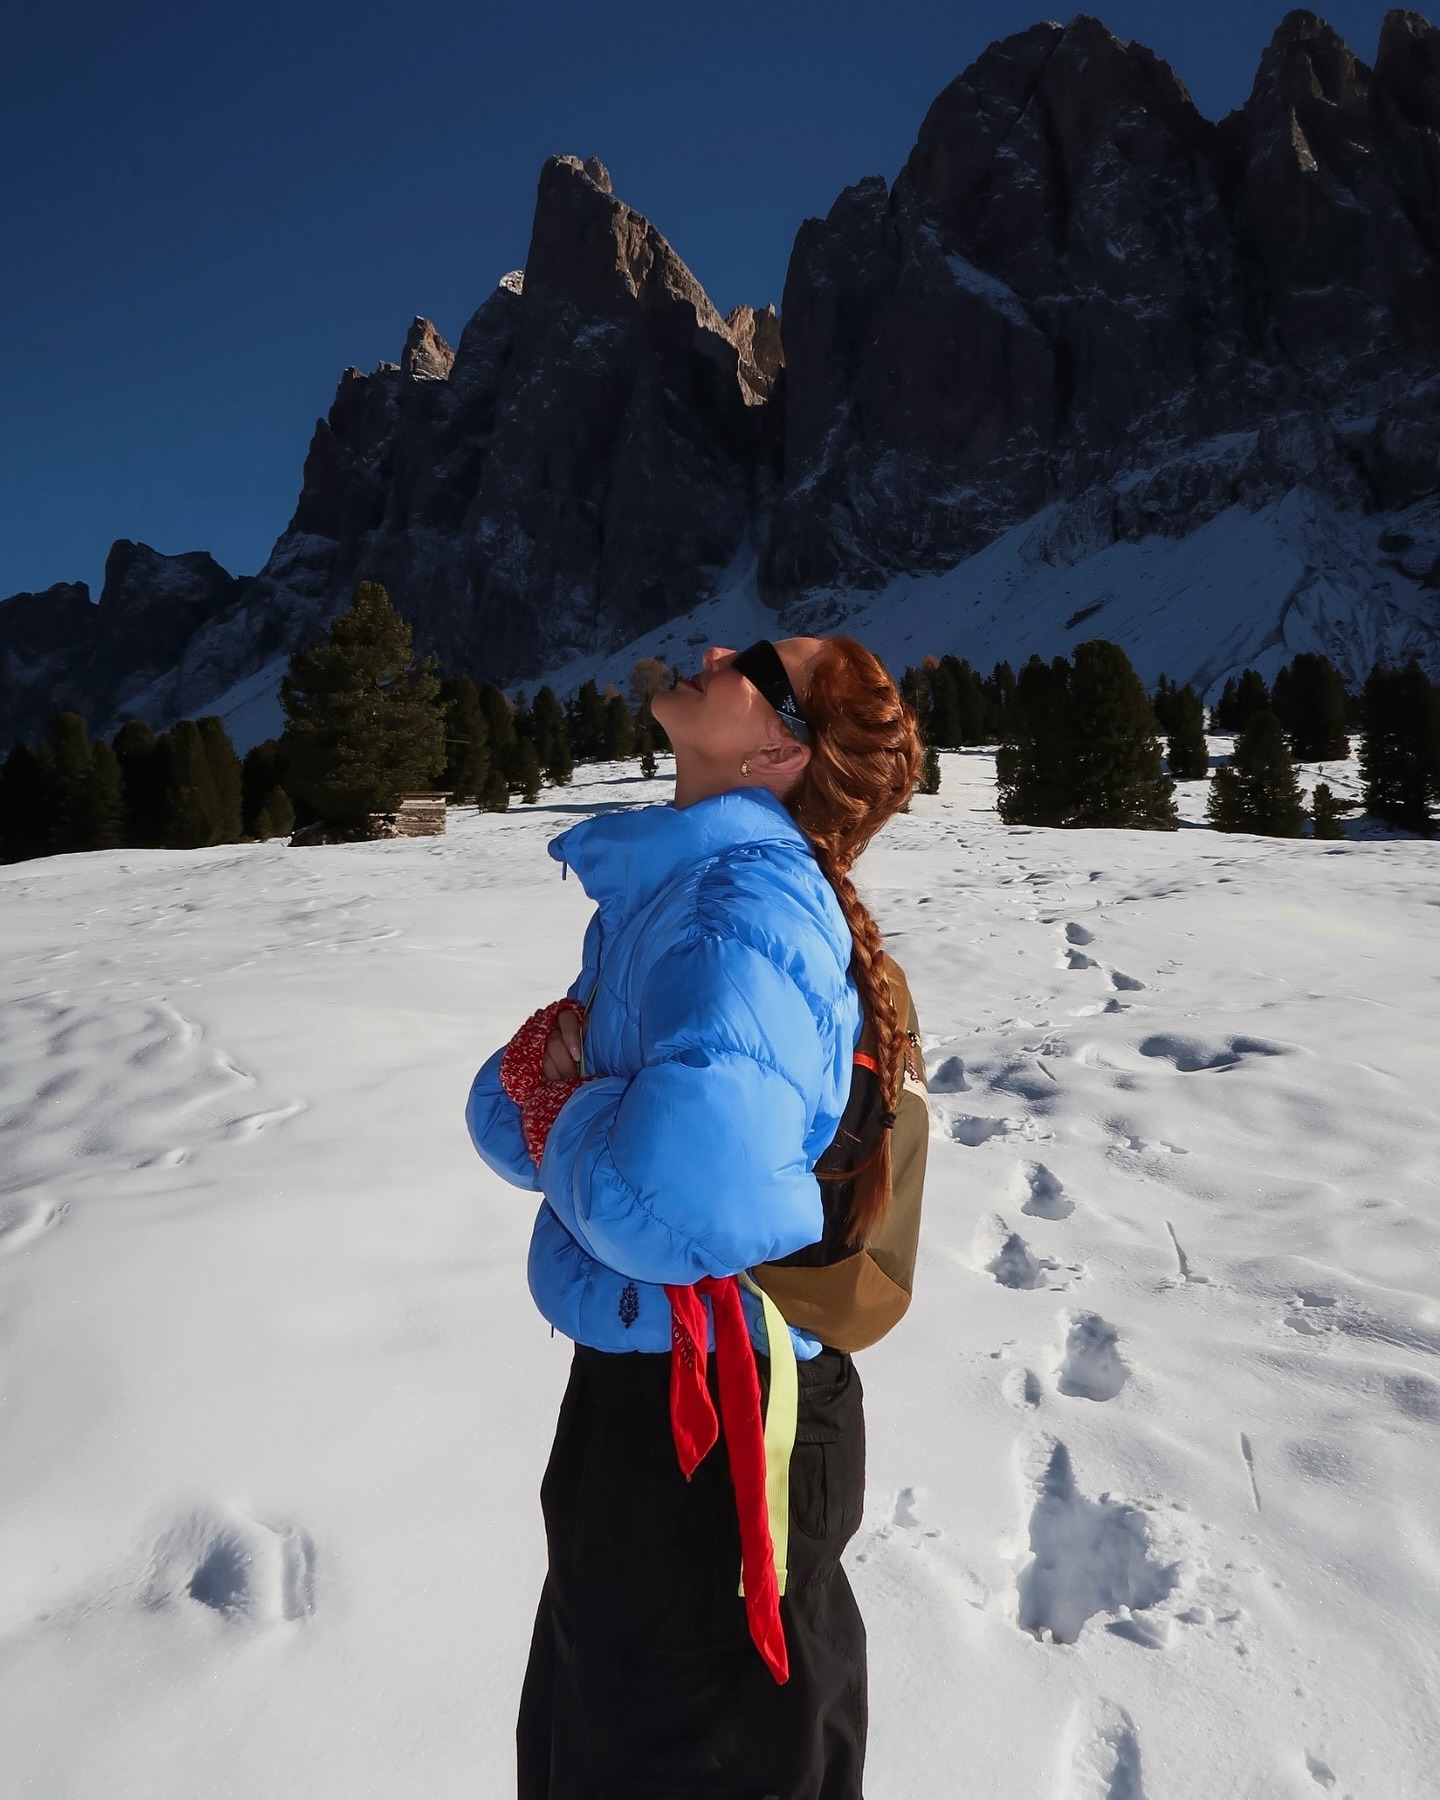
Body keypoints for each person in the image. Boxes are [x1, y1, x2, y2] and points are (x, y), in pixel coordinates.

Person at [467, 636, 923, 1799]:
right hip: (669, 1406)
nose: (719, 646)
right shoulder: (683, 895)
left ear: (779, 746)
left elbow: (684, 1198)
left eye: (762, 661)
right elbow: (496, 1111)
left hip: (714, 1435)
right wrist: (561, 1094)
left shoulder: (742, 899)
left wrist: (565, 1096)